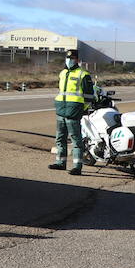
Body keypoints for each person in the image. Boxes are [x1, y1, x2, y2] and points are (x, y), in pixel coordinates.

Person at [49, 48, 94, 176]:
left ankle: (77, 166)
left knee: (76, 140)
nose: (69, 60)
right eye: (68, 58)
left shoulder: (83, 74)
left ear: (77, 60)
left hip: (74, 111)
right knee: (60, 138)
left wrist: (81, 108)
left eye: (72, 58)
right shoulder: (62, 73)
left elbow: (89, 96)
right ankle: (60, 163)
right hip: (61, 110)